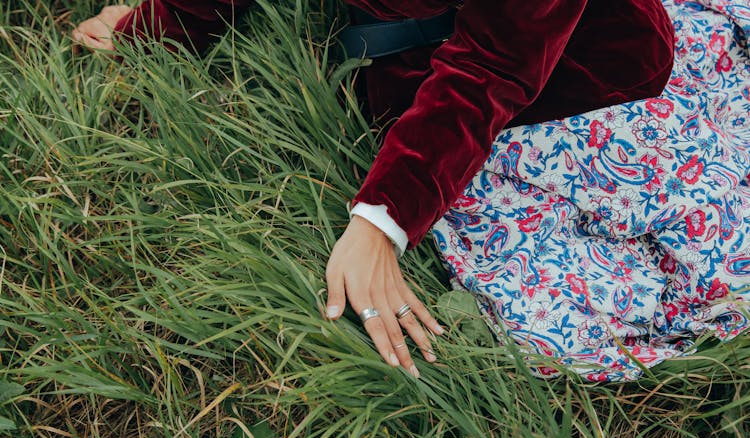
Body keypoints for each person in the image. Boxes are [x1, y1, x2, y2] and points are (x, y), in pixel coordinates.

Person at [72, 0, 675, 378]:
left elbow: (493, 64)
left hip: (575, 68)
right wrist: (150, 29)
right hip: (401, 56)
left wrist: (382, 221)